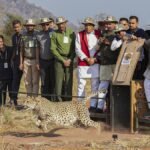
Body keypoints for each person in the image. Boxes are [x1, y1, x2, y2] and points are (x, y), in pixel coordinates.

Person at [75, 17, 100, 112]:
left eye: (89, 25)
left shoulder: (98, 34)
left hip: (95, 62)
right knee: (81, 84)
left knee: (95, 85)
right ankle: (80, 106)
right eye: (86, 25)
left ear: (93, 26)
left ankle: (93, 106)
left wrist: (94, 59)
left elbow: (101, 48)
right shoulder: (79, 34)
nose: (87, 27)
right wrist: (86, 58)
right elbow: (77, 49)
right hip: (83, 63)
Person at [50, 16, 75, 101]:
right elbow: (53, 48)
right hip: (59, 60)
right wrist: (62, 60)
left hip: (69, 59)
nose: (61, 26)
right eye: (59, 24)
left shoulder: (71, 32)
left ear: (65, 23)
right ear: (57, 25)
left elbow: (75, 48)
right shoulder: (54, 34)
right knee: (58, 81)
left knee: (69, 80)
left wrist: (70, 59)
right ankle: (59, 100)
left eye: (62, 24)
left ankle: (68, 101)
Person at [96, 16, 118, 113]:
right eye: (107, 23)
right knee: (103, 85)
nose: (108, 25)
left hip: (115, 63)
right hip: (104, 63)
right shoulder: (103, 34)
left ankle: (115, 108)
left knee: (116, 86)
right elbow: (97, 48)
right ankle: (99, 107)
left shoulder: (118, 34)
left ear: (114, 24)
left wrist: (108, 42)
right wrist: (100, 41)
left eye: (110, 23)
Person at [20, 19, 40, 97]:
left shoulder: (37, 34)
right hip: (26, 60)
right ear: (26, 26)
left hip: (35, 59)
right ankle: (29, 98)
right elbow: (21, 50)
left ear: (33, 26)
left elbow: (38, 49)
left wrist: (38, 62)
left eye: (31, 25)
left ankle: (34, 99)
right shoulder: (23, 35)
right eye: (28, 25)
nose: (29, 27)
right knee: (27, 81)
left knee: (35, 81)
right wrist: (21, 63)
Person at [37, 18, 55, 100]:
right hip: (43, 61)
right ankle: (44, 100)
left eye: (47, 24)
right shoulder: (38, 35)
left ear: (49, 24)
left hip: (52, 60)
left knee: (52, 81)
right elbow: (37, 49)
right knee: (44, 82)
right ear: (41, 25)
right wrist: (37, 62)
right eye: (43, 24)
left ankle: (52, 101)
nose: (45, 26)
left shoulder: (53, 33)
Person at [11, 19, 23, 106]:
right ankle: (14, 99)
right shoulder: (13, 37)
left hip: (25, 60)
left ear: (21, 27)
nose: (16, 29)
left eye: (18, 27)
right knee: (15, 80)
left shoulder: (24, 36)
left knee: (28, 82)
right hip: (16, 61)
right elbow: (14, 49)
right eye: (15, 27)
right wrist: (12, 59)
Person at [0, 35, 13, 106]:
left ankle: (12, 103)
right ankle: (2, 105)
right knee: (2, 92)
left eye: (1, 41)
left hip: (10, 74)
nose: (0, 43)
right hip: (1, 76)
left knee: (11, 91)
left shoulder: (9, 49)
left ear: (3, 41)